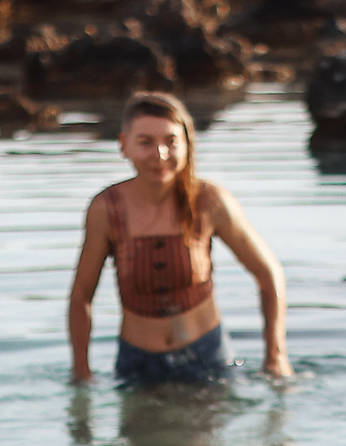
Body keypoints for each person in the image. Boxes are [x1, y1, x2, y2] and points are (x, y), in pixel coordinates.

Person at [68, 92, 290, 385]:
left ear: (186, 144)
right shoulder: (106, 209)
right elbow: (81, 296)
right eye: (145, 142)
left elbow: (268, 273)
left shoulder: (210, 201)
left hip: (207, 356)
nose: (159, 154)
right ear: (124, 145)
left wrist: (276, 355)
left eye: (171, 141)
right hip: (138, 363)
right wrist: (81, 371)